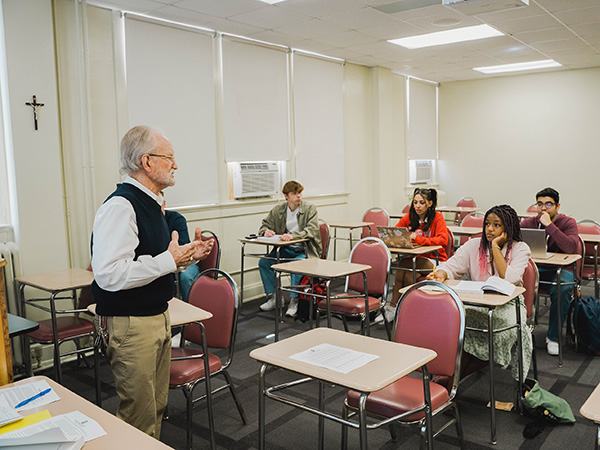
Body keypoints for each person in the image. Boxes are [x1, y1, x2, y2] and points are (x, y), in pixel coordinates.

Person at [91, 126, 213, 438]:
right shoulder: (121, 206)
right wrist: (170, 260)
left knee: (156, 407)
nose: (176, 165)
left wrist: (185, 256)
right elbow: (110, 274)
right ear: (147, 162)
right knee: (138, 416)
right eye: (169, 158)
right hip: (132, 324)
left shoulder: (151, 203)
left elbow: (152, 260)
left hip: (156, 316)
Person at [428, 204, 532, 379]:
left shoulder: (521, 248)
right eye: (487, 224)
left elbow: (509, 280)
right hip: (477, 302)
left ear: (508, 228)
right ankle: (451, 377)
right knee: (453, 324)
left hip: (509, 306)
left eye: (497, 225)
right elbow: (451, 265)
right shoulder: (474, 245)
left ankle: (452, 379)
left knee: (498, 333)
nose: (490, 229)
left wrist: (496, 247)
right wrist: (441, 272)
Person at [520, 187, 579, 356]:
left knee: (564, 287)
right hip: (536, 268)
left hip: (560, 269)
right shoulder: (530, 222)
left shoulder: (568, 223)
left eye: (548, 204)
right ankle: (521, 331)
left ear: (557, 206)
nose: (543, 208)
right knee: (513, 281)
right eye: (539, 204)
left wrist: (549, 225)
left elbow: (570, 247)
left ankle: (553, 337)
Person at [380, 188, 448, 322]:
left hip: (435, 260)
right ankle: (397, 309)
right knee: (407, 272)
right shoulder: (410, 217)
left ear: (429, 203)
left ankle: (403, 309)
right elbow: (396, 231)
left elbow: (443, 240)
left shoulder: (437, 217)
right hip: (415, 260)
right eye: (415, 202)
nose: (417, 206)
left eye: (421, 202)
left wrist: (418, 240)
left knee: (404, 264)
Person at [258, 180, 321, 317]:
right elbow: (265, 225)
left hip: (305, 251)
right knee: (264, 262)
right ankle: (275, 297)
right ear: (286, 196)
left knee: (295, 266)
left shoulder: (310, 208)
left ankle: (294, 300)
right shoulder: (278, 210)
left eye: (300, 193)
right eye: (294, 193)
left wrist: (293, 236)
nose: (299, 196)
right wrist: (265, 232)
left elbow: (312, 230)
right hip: (285, 250)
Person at [162, 197, 199, 303]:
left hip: (186, 260)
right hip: (165, 263)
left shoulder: (176, 218)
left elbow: (182, 247)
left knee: (185, 277)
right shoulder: (148, 221)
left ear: (163, 204)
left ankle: (191, 310)